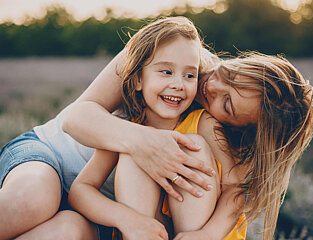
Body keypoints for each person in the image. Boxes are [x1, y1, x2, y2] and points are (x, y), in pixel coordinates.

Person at [64, 43, 313, 240]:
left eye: (227, 104)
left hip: (200, 230)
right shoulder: (129, 126)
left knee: (192, 149)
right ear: (139, 79)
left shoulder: (208, 127)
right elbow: (82, 187)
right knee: (136, 152)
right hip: (152, 226)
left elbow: (236, 190)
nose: (211, 85)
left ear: (238, 129)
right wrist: (128, 219)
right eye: (228, 73)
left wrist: (206, 235)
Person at [0, 17, 216, 240]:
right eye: (167, 72)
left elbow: (235, 188)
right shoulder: (164, 43)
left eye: (190, 76)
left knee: (67, 231)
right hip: (51, 154)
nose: (179, 84)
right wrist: (144, 140)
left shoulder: (209, 109)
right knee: (34, 199)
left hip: (100, 210)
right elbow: (74, 120)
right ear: (137, 79)